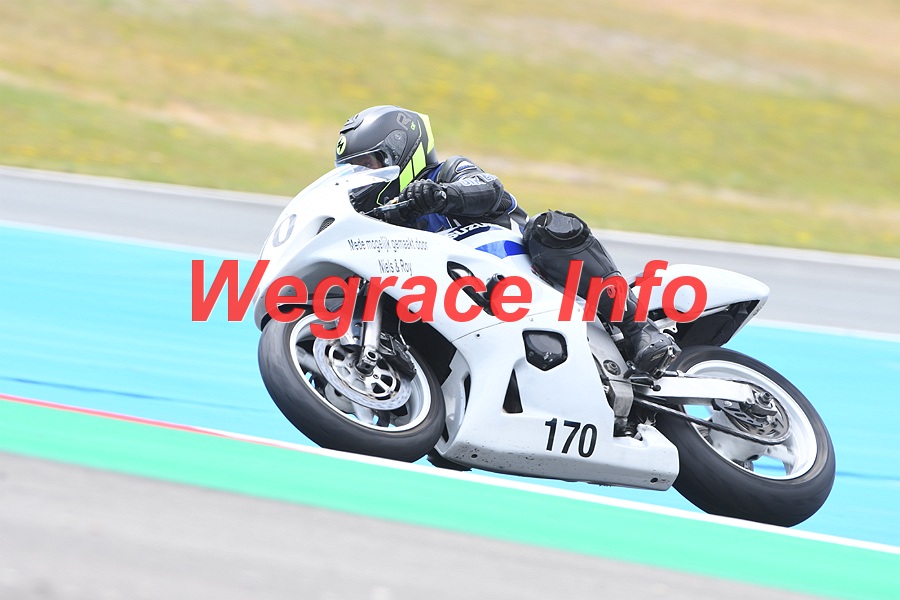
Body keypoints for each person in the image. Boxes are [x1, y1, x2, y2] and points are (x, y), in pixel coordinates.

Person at [334, 105, 678, 374]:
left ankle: (638, 328)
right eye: (355, 171)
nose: (366, 177)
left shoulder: (447, 173)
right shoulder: (385, 225)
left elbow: (488, 189)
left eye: (370, 164)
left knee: (551, 227)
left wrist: (440, 196)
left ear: (400, 151)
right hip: (464, 309)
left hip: (524, 278)